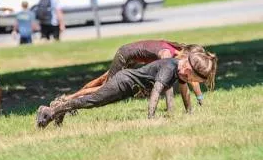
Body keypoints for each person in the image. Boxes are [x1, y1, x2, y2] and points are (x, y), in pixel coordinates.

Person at [36, 51, 218, 128]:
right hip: (123, 82)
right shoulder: (169, 67)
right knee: (93, 100)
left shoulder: (179, 73)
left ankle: (59, 110)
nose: (195, 82)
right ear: (189, 69)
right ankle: (50, 110)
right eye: (196, 79)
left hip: (126, 88)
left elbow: (185, 93)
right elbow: (156, 91)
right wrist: (151, 117)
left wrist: (191, 110)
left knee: (93, 102)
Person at [52, 41, 206, 112]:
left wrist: (199, 101)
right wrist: (170, 109)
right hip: (125, 55)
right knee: (104, 88)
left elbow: (189, 83)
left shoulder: (179, 60)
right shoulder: (168, 55)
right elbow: (166, 85)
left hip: (133, 60)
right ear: (187, 54)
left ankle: (68, 99)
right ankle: (66, 100)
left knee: (101, 82)